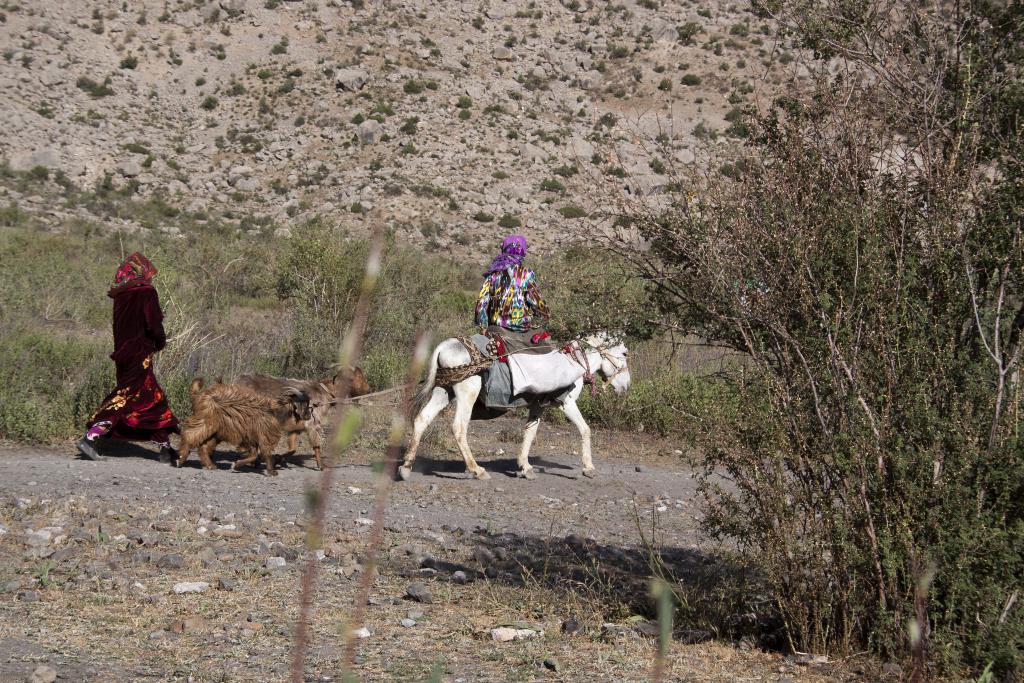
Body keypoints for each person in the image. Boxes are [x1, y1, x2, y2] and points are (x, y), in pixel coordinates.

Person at [77, 252, 179, 463]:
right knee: (125, 397)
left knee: (151, 398)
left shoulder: (121, 295)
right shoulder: (146, 292)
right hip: (139, 353)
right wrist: (160, 342)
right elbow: (153, 324)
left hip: (123, 354)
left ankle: (166, 449)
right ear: (141, 270)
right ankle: (91, 437)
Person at [474, 234, 550, 342]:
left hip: (495, 329)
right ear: (522, 252)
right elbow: (538, 303)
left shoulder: (492, 275)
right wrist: (544, 316)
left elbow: (481, 303)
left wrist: (483, 327)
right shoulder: (526, 274)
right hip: (521, 329)